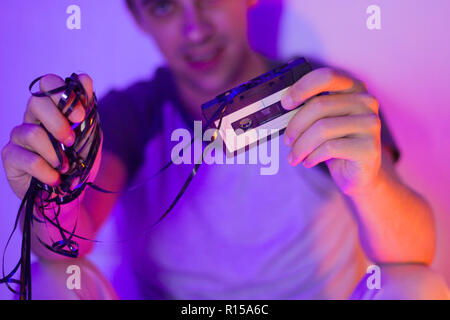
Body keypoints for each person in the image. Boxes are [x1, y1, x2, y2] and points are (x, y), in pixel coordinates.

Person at [1, 0, 449, 299]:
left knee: (418, 287)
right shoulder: (132, 113)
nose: (195, 28)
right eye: (164, 5)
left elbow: (412, 256)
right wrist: (47, 194)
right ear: (140, 18)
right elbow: (64, 249)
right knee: (50, 280)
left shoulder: (320, 92)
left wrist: (369, 183)